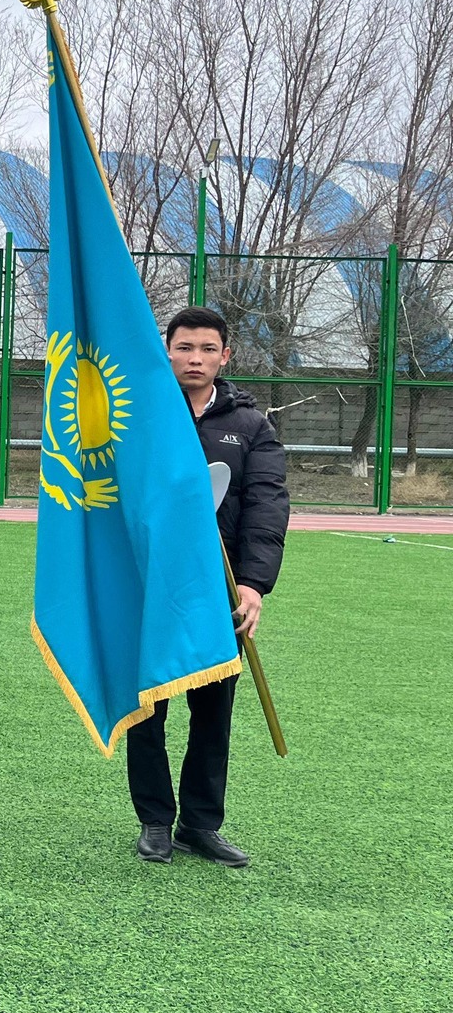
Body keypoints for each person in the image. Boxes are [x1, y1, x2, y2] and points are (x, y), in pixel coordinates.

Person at [129, 306, 289, 868]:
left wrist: (252, 586)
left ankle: (200, 824)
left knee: (213, 711)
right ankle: (154, 820)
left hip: (216, 594)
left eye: (206, 349)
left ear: (225, 356)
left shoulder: (250, 425)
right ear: (166, 351)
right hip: (149, 586)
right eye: (183, 348)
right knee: (149, 706)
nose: (194, 359)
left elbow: (267, 507)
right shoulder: (138, 413)